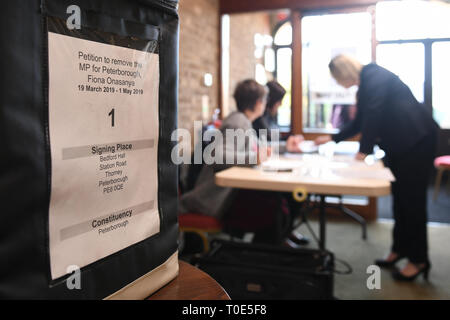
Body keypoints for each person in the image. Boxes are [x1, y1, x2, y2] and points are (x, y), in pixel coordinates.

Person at [315, 54, 439, 281]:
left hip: (416, 142)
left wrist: (364, 151)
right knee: (400, 200)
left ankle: (419, 260)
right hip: (400, 145)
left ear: (344, 73)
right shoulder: (366, 84)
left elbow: (374, 113)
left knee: (412, 202)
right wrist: (333, 138)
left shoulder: (374, 76)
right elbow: (360, 120)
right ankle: (400, 249)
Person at [179, 79, 302, 233]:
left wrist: (285, 146)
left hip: (227, 196)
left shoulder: (243, 121)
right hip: (214, 200)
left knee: (277, 201)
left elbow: (258, 147)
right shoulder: (237, 122)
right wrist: (253, 158)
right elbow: (216, 155)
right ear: (259, 103)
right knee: (275, 206)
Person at [253, 80, 309, 246]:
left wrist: (287, 142)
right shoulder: (257, 120)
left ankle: (285, 232)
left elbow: (271, 141)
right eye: (279, 101)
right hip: (264, 170)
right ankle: (281, 235)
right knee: (292, 194)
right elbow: (264, 144)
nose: (281, 104)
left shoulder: (268, 117)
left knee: (298, 191)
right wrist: (285, 144)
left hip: (272, 163)